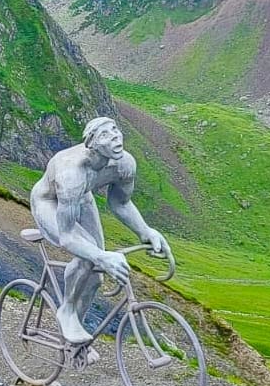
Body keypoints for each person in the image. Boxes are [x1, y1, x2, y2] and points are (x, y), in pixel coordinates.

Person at [29, 116, 169, 345]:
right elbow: (67, 237)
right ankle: (67, 311)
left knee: (95, 279)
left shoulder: (124, 163)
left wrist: (146, 231)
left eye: (115, 129)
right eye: (105, 134)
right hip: (49, 202)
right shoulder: (71, 172)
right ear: (92, 144)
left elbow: (121, 203)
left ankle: (75, 341)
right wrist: (100, 255)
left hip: (82, 198)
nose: (115, 135)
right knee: (89, 257)